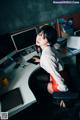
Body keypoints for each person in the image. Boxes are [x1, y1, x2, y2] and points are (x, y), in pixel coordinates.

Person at [29, 25, 68, 106]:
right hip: (61, 72)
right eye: (40, 34)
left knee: (37, 84)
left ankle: (58, 101)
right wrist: (40, 60)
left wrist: (64, 91)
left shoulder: (47, 57)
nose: (39, 38)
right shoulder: (50, 48)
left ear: (49, 42)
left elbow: (57, 77)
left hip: (58, 82)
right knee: (36, 77)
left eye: (44, 37)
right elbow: (53, 61)